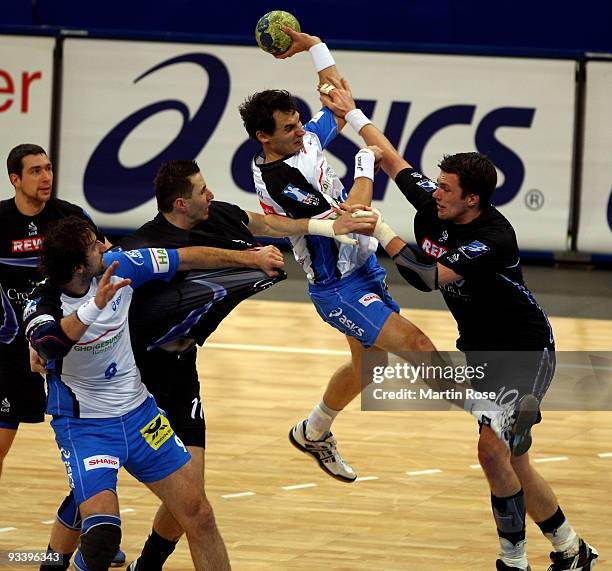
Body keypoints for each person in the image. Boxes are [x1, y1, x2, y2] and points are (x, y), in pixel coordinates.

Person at [38, 159, 377, 571]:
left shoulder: (187, 234)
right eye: (202, 190)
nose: (107, 246)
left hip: (159, 389)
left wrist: (276, 249)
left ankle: (146, 563)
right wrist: (57, 335)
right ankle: (58, 558)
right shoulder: (116, 260)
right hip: (116, 394)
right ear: (181, 203)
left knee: (195, 506)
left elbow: (236, 238)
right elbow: (49, 338)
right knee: (97, 512)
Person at [319, 79, 598, 570]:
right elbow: (388, 157)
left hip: (526, 350)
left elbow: (428, 278)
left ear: (473, 200)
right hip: (479, 349)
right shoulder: (438, 203)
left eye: (446, 189)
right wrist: (352, 113)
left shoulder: (495, 237)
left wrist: (379, 227)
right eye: (439, 184)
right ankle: (572, 548)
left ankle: (513, 559)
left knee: (493, 452)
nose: (435, 192)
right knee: (513, 460)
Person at [239, 30, 531, 484]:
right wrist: (362, 167)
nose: (302, 131)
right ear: (264, 137)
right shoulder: (278, 180)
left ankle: (313, 430)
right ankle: (488, 410)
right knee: (414, 345)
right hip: (337, 287)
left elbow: (337, 96)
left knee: (369, 366)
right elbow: (354, 217)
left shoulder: (302, 143)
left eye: (300, 123)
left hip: (363, 266)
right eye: (290, 128)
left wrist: (314, 46)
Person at [23, 215, 287, 571]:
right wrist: (94, 307)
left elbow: (187, 257)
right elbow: (49, 343)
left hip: (141, 417)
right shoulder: (43, 300)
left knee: (199, 514)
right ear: (78, 266)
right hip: (86, 429)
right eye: (94, 245)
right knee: (101, 539)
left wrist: (251, 259)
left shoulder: (123, 265)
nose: (105, 245)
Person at [0, 143, 129, 568]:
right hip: (9, 354)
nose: (45, 177)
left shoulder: (70, 218)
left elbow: (107, 259)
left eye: (49, 168)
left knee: (91, 449)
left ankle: (96, 534)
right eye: (35, 170)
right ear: (14, 179)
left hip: (68, 352)